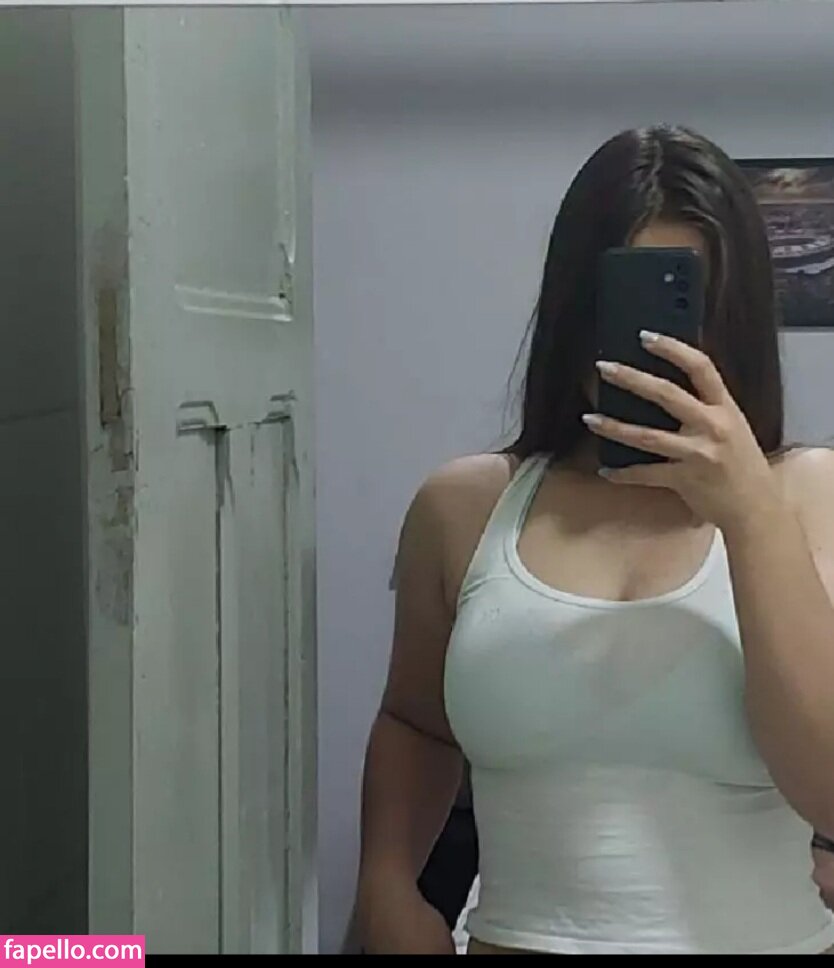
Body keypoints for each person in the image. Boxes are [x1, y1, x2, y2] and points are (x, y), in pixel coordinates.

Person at [354, 125, 834, 955]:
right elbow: (415, 721)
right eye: (627, 308)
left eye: (686, 308)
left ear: (736, 317)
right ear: (576, 309)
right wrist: (386, 884)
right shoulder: (464, 507)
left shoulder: (812, 497)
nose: (657, 347)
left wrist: (750, 514)